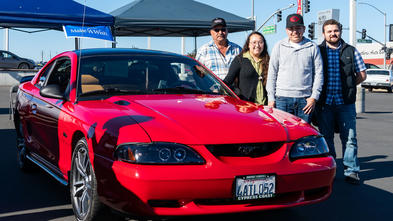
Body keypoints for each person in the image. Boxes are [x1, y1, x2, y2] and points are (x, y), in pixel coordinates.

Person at [315, 19, 367, 185]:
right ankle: (331, 170)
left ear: (340, 31)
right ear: (324, 34)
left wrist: (350, 86)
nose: (333, 34)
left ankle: (351, 171)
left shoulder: (351, 51)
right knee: (327, 138)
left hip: (345, 103)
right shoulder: (318, 51)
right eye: (329, 31)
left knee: (350, 138)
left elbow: (362, 74)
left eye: (335, 30)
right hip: (324, 103)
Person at [266, 13, 323, 123]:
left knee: (303, 136)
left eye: (298, 28)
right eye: (291, 29)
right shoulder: (279, 46)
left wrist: (314, 97)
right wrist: (271, 99)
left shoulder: (312, 47)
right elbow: (272, 73)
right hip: (282, 100)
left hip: (305, 101)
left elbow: (319, 74)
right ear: (286, 30)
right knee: (283, 135)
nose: (295, 32)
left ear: (304, 29)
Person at [224, 31, 269, 105]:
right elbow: (227, 81)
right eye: (254, 42)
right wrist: (237, 93)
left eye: (260, 42)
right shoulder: (239, 60)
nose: (257, 45)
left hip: (265, 106)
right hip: (246, 107)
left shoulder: (268, 60)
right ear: (248, 45)